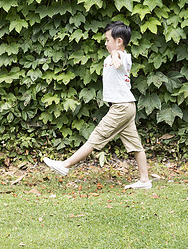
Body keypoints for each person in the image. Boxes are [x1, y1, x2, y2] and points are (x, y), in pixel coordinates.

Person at [43, 20, 151, 189]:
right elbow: (113, 58)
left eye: (108, 40)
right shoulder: (109, 57)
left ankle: (65, 166)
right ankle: (144, 180)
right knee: (136, 145)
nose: (106, 43)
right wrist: (112, 57)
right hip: (126, 105)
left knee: (96, 137)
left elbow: (119, 57)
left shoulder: (124, 57)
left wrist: (116, 57)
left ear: (119, 41)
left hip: (122, 107)